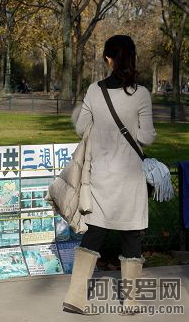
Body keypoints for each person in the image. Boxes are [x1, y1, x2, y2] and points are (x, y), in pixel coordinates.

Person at [63, 35, 156, 315]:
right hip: (130, 179)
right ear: (133, 57)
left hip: (100, 177)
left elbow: (81, 129)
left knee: (94, 234)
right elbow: (147, 137)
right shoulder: (141, 94)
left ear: (108, 59)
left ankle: (76, 298)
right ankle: (131, 302)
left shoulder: (94, 90)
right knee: (131, 237)